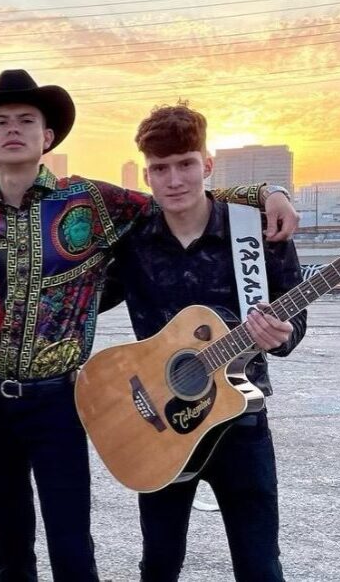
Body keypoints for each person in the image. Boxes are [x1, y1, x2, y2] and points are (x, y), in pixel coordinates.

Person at [0, 69, 299, 581]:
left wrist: (270, 191)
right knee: (15, 541)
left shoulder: (93, 203)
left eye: (27, 120)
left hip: (80, 402)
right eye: (0, 122)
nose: (13, 129)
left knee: (76, 543)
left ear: (47, 137)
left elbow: (184, 196)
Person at [101, 104, 307, 581]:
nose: (174, 179)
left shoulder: (256, 231)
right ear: (148, 175)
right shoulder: (133, 241)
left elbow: (294, 322)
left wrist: (279, 337)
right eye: (160, 168)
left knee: (260, 568)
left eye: (186, 164)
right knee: (159, 565)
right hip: (158, 421)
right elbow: (84, 301)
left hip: (241, 423)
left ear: (207, 165)